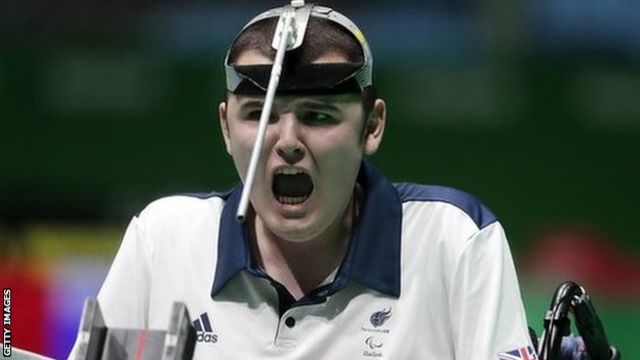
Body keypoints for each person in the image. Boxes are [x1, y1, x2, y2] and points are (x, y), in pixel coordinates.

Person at [73, 3, 535, 359]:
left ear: (372, 127)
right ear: (225, 128)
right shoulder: (164, 238)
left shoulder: (453, 240)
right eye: (258, 115)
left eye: (318, 116)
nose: (288, 141)